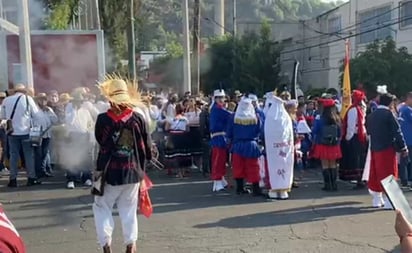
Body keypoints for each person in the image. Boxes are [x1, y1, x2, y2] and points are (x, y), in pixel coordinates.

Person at [93, 78, 152, 253]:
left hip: (108, 171)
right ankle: (130, 244)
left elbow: (100, 140)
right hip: (133, 170)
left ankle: (105, 244)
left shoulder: (103, 119)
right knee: (129, 209)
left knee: (101, 206)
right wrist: (145, 163)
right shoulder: (138, 118)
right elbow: (146, 146)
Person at [367, 93, 408, 208]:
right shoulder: (389, 114)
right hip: (387, 148)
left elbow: (369, 131)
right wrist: (403, 147)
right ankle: (390, 201)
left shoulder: (372, 115)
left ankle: (377, 199)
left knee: (375, 173)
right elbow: (397, 131)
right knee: (388, 173)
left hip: (374, 148)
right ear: (390, 103)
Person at [1, 84, 41, 187]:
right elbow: (36, 115)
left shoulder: (7, 100)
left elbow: (3, 116)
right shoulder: (28, 99)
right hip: (26, 131)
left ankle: (13, 179)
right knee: (29, 156)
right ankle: (31, 178)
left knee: (14, 156)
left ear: (14, 91)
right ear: (24, 91)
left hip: (12, 132)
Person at [226, 97, 262, 196]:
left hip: (237, 145)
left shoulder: (234, 117)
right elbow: (259, 130)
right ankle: (256, 189)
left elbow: (229, 132)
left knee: (238, 167)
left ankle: (240, 188)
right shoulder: (256, 117)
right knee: (253, 167)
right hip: (251, 145)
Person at [264, 92, 294, 200]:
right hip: (284, 148)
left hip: (273, 149)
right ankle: (283, 190)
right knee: (284, 165)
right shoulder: (286, 117)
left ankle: (274, 189)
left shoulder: (270, 117)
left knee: (273, 168)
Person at [64, 91, 94, 189]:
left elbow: (90, 124)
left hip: (84, 135)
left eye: (81, 102)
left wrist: (90, 135)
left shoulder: (85, 111)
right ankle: (71, 179)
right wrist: (74, 110)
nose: (80, 103)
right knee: (72, 158)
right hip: (73, 135)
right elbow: (70, 122)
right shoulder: (69, 111)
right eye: (77, 101)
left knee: (86, 158)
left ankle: (86, 178)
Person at [312, 99, 342, 191]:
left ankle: (327, 185)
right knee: (333, 164)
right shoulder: (337, 119)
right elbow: (340, 132)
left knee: (325, 164)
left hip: (322, 143)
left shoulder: (320, 119)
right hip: (334, 144)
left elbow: (315, 131)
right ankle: (334, 184)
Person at [340, 90, 368, 189]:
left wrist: (347, 138)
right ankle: (362, 179)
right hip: (362, 135)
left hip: (355, 136)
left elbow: (351, 126)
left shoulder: (353, 110)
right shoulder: (362, 108)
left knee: (355, 158)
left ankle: (359, 180)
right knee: (361, 158)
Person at [209, 89, 232, 192]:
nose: (222, 100)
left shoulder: (218, 108)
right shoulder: (217, 109)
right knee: (218, 160)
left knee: (221, 160)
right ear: (215, 99)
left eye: (222, 98)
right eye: (219, 98)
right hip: (218, 137)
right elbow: (230, 115)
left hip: (221, 137)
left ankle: (221, 179)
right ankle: (217, 181)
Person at [399, 92, 412, 187]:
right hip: (409, 138)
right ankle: (406, 180)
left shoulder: (402, 109)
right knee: (407, 160)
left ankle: (404, 180)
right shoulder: (407, 110)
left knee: (404, 160)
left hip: (404, 138)